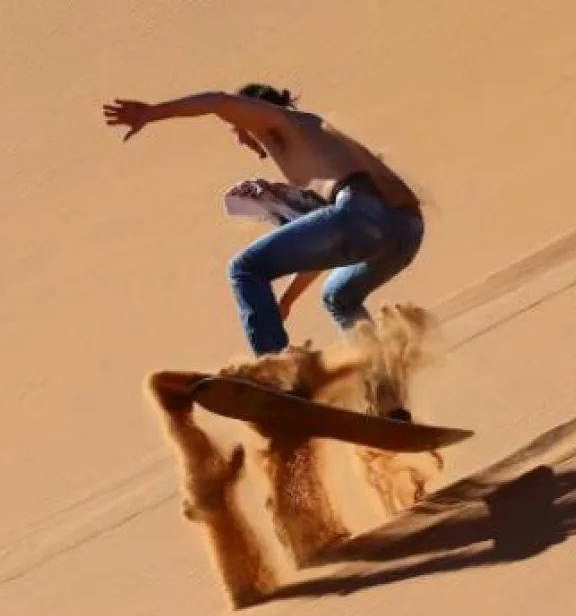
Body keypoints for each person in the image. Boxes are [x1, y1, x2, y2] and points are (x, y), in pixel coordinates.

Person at [103, 83, 426, 418]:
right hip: (404, 231)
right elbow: (327, 245)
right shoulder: (317, 141)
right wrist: (285, 301)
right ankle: (386, 399)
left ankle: (280, 380)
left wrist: (151, 113)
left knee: (244, 268)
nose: (241, 139)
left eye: (236, 130)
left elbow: (218, 101)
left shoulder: (277, 121)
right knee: (339, 296)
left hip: (361, 213)